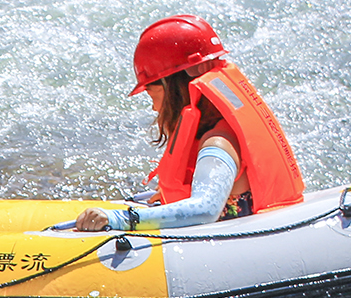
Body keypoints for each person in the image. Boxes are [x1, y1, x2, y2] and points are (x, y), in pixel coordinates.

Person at [72, 16, 305, 233]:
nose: (154, 108)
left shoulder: (219, 142)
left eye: (153, 95)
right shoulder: (217, 129)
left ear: (175, 88)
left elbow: (205, 210)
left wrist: (122, 219)